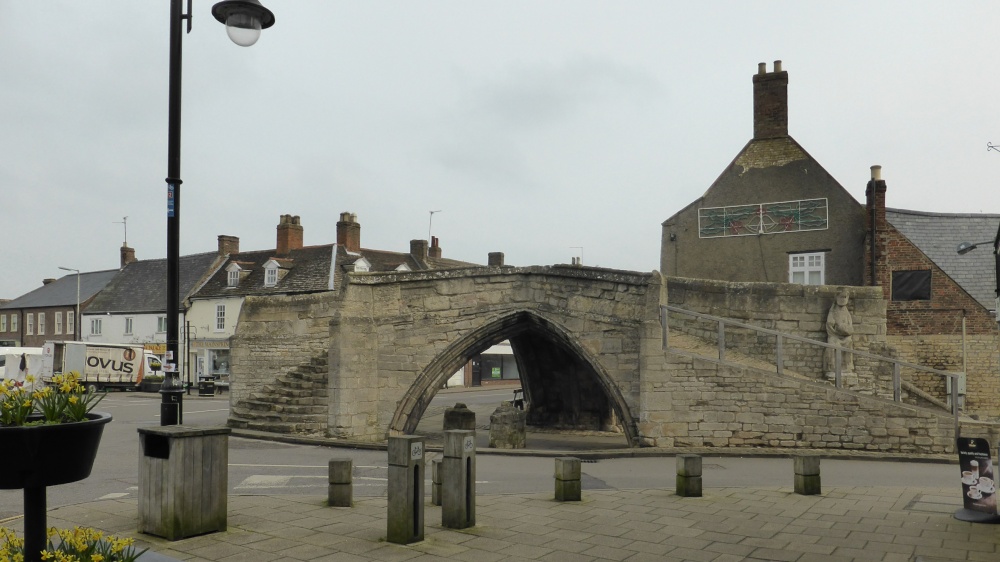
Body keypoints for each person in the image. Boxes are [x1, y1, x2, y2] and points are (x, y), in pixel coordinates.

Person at [824, 290, 854, 377]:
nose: (843, 299)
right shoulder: (832, 311)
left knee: (849, 342)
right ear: (836, 298)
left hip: (845, 336)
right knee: (832, 344)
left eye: (845, 297)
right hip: (834, 335)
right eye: (841, 297)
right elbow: (829, 324)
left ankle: (847, 367)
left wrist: (845, 330)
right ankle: (832, 368)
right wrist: (836, 328)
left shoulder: (846, 312)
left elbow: (850, 325)